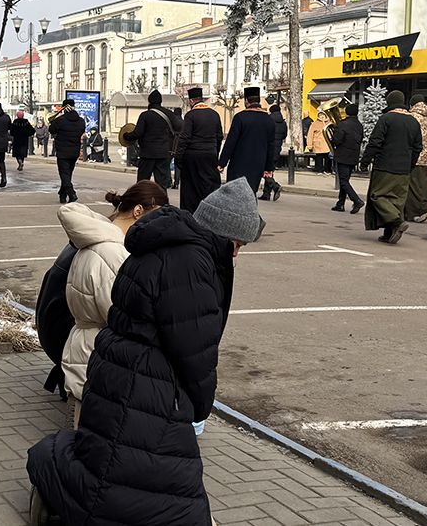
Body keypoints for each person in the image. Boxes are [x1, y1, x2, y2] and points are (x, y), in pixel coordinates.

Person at [26, 179, 263, 526]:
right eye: (238, 244)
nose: (238, 254)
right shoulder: (193, 263)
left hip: (116, 369)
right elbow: (194, 348)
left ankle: (63, 488)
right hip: (149, 383)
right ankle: (68, 495)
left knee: (113, 460)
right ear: (223, 234)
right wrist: (200, 404)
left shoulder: (162, 245)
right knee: (158, 489)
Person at [58, 181, 169, 428]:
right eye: (156, 217)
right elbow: (119, 312)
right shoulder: (113, 253)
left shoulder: (96, 239)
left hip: (85, 348)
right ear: (139, 211)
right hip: (98, 356)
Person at [360, 90, 422, 244]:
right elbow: (418, 147)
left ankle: (396, 222)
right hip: (404, 168)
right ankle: (389, 233)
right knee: (396, 200)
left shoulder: (386, 119)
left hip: (385, 166)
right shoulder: (413, 122)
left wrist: (365, 161)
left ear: (389, 102)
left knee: (378, 196)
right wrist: (410, 164)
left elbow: (375, 142)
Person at [218, 86, 279, 195]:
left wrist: (222, 163)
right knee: (251, 194)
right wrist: (269, 168)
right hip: (258, 164)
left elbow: (231, 142)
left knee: (235, 195)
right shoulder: (268, 120)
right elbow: (271, 146)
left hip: (239, 164)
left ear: (246, 101)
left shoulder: (240, 118)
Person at [176, 87, 224, 214]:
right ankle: (209, 213)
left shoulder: (190, 115)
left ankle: (190, 215)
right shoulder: (214, 114)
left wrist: (178, 157)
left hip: (193, 156)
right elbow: (219, 136)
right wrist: (215, 152)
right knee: (208, 186)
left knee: (190, 188)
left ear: (191, 101)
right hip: (210, 154)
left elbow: (184, 138)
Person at [123, 90, 183, 190]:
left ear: (149, 101)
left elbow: (138, 133)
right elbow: (180, 127)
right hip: (164, 153)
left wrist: (126, 136)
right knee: (161, 184)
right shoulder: (168, 114)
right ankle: (162, 203)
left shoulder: (145, 115)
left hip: (147, 154)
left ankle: (142, 201)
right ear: (160, 101)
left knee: (143, 182)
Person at [404, 95, 427, 223]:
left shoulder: (411, 118)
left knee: (411, 185)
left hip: (412, 156)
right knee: (421, 184)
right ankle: (411, 212)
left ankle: (423, 208)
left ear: (412, 105)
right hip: (426, 157)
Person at [49, 99, 86, 204]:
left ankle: (71, 193)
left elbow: (51, 130)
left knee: (64, 174)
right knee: (68, 174)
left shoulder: (60, 120)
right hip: (74, 151)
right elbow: (82, 131)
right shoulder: (81, 121)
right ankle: (62, 194)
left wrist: (55, 120)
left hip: (62, 151)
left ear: (64, 108)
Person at [331, 103, 365, 214]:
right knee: (344, 180)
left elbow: (337, 140)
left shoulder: (343, 124)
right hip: (353, 156)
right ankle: (340, 204)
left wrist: (333, 134)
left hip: (343, 155)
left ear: (347, 112)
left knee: (343, 181)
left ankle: (357, 200)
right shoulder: (359, 125)